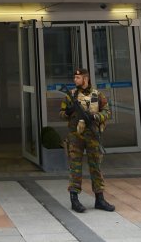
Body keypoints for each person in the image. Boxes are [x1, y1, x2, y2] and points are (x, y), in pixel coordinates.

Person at [59, 68, 115, 213]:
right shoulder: (70, 95)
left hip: (92, 136)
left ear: (86, 79)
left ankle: (100, 199)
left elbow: (107, 112)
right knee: (75, 168)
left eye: (78, 77)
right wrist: (69, 111)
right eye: (74, 77)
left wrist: (95, 117)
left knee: (96, 167)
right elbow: (61, 114)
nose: (75, 80)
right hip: (76, 137)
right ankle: (74, 199)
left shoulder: (97, 95)